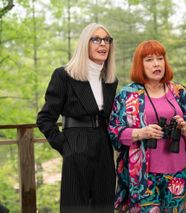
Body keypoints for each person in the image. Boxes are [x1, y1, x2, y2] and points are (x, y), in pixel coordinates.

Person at [108, 40, 186, 213]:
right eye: (149, 60)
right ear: (140, 64)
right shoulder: (128, 94)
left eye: (160, 58)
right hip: (143, 176)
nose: (156, 64)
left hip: (177, 172)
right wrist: (141, 132)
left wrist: (185, 129)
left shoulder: (178, 91)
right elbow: (114, 130)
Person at [36, 23, 118, 213]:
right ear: (84, 44)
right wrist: (66, 147)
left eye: (107, 40)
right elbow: (45, 118)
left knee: (104, 206)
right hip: (76, 144)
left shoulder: (110, 80)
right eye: (96, 39)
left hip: (103, 147)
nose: (103, 44)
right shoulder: (64, 75)